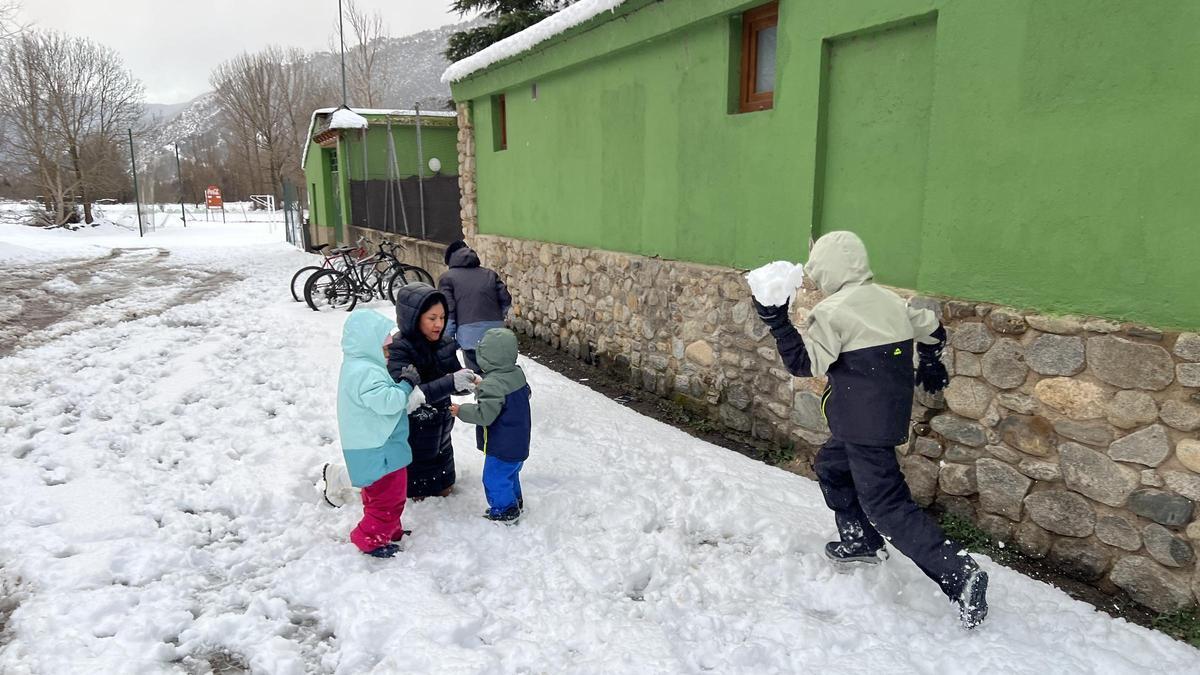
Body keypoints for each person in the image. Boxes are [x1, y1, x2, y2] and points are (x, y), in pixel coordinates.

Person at [753, 230, 989, 629]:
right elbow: (932, 326)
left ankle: (960, 574)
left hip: (863, 425)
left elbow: (806, 365)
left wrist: (778, 322)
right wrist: (930, 359)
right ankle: (860, 541)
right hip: (879, 417)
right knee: (831, 466)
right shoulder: (892, 301)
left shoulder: (833, 311)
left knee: (887, 505)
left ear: (828, 270)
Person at [334, 310, 424, 558]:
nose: (388, 354)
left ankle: (389, 529)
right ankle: (369, 538)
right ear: (368, 344)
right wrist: (405, 384)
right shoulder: (365, 372)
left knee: (383, 497)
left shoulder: (358, 366)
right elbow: (387, 402)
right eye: (384, 348)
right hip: (378, 448)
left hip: (375, 445)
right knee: (387, 498)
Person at [389, 282, 478, 498]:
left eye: (442, 318)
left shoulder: (445, 343)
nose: (439, 324)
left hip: (442, 426)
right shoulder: (399, 348)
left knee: (445, 488)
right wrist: (451, 382)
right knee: (415, 493)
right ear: (414, 317)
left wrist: (469, 382)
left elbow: (454, 379)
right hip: (413, 431)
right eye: (432, 318)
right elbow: (406, 396)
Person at [450, 328, 531, 523]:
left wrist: (460, 410)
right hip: (519, 441)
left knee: (494, 479)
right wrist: (482, 385)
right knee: (510, 474)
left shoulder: (493, 384)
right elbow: (519, 394)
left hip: (501, 444)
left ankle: (505, 510)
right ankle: (515, 501)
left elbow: (484, 415)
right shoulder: (517, 374)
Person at [438, 240, 512, 374]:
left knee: (477, 376)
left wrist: (447, 339)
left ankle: (484, 393)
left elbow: (449, 310)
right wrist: (498, 319)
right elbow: (506, 299)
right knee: (500, 371)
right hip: (497, 332)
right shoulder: (490, 274)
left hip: (469, 336)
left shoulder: (447, 278)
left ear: (450, 260)